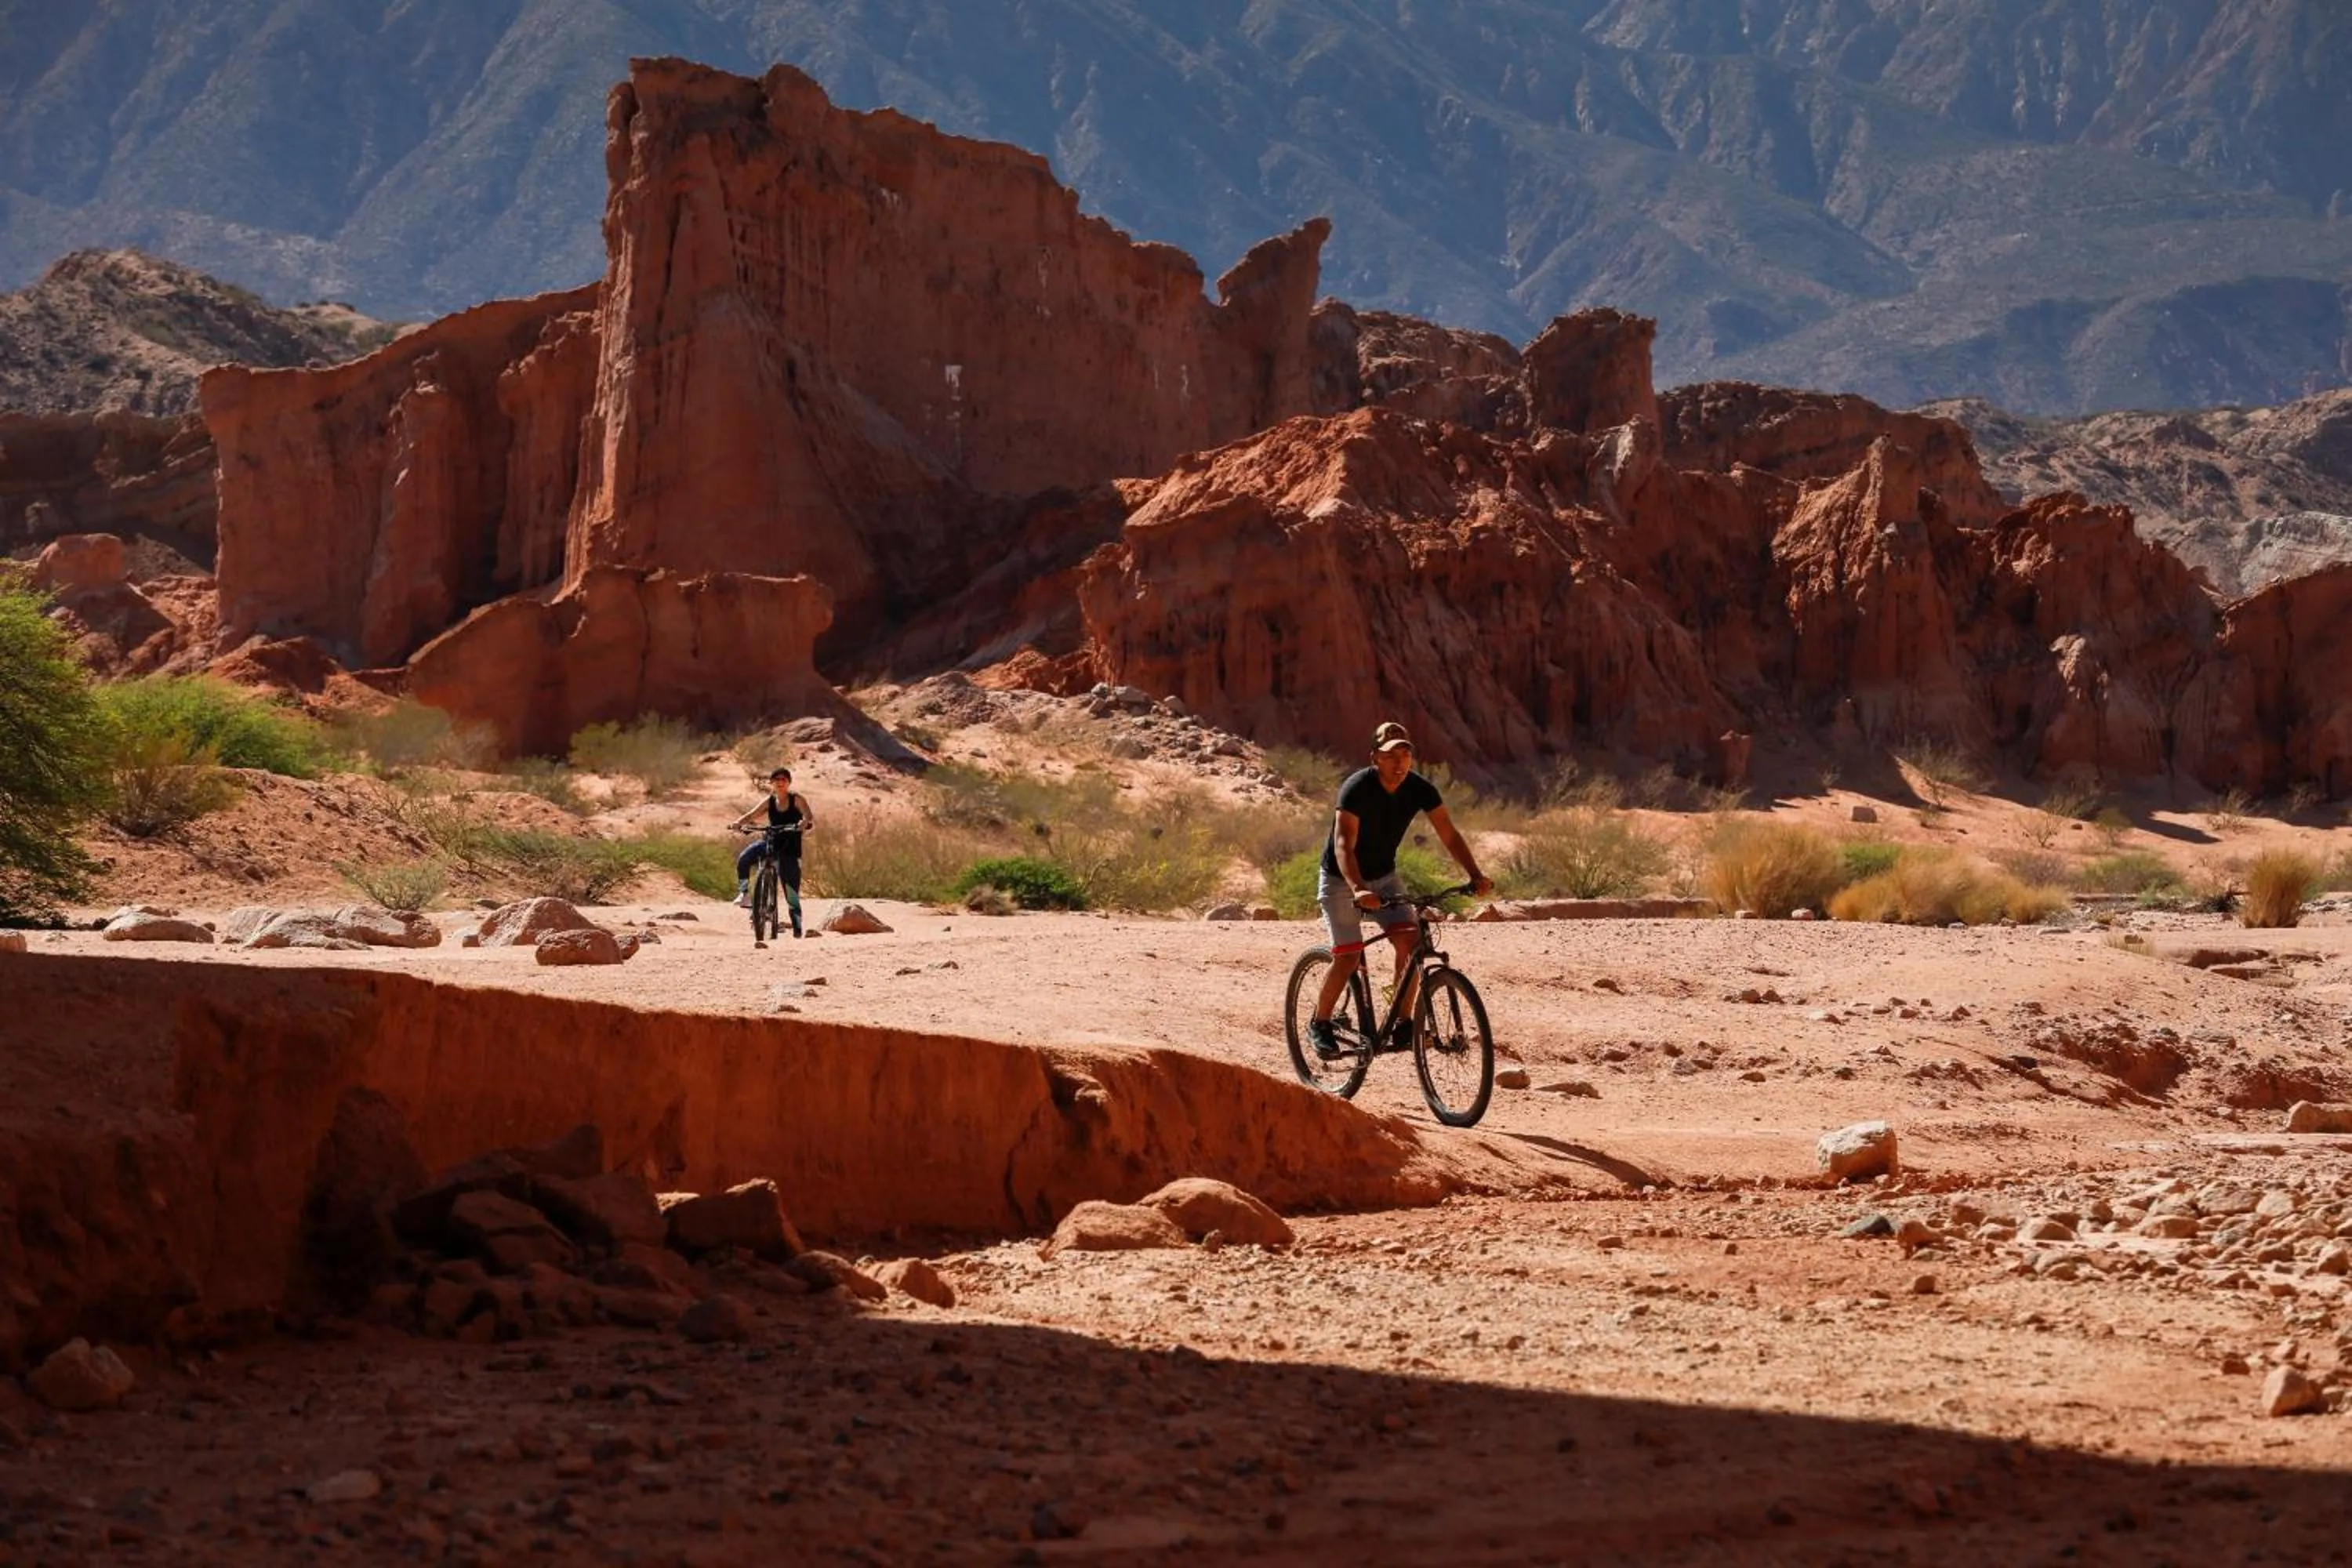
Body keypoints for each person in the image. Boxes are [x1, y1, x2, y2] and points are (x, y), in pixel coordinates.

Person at [1308, 722, 1491, 1057]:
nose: (1400, 762)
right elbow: (1343, 844)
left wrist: (1475, 874)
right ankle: (1320, 1022)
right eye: (1392, 755)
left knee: (1410, 942)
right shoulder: (1357, 788)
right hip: (1341, 878)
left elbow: (1448, 834)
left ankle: (1403, 1022)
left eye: (1406, 754)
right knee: (1348, 956)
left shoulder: (1419, 789)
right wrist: (1358, 889)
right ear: (1375, 757)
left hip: (1384, 877)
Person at [730, 767, 814, 937]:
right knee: (744, 859)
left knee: (791, 891)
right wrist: (738, 823)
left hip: (789, 847)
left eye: (784, 779)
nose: (780, 782)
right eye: (777, 779)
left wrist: (803, 823)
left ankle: (797, 926)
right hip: (770, 842)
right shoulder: (769, 801)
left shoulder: (796, 799)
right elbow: (752, 815)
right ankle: (745, 893)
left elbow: (808, 816)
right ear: (772, 783)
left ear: (789, 782)